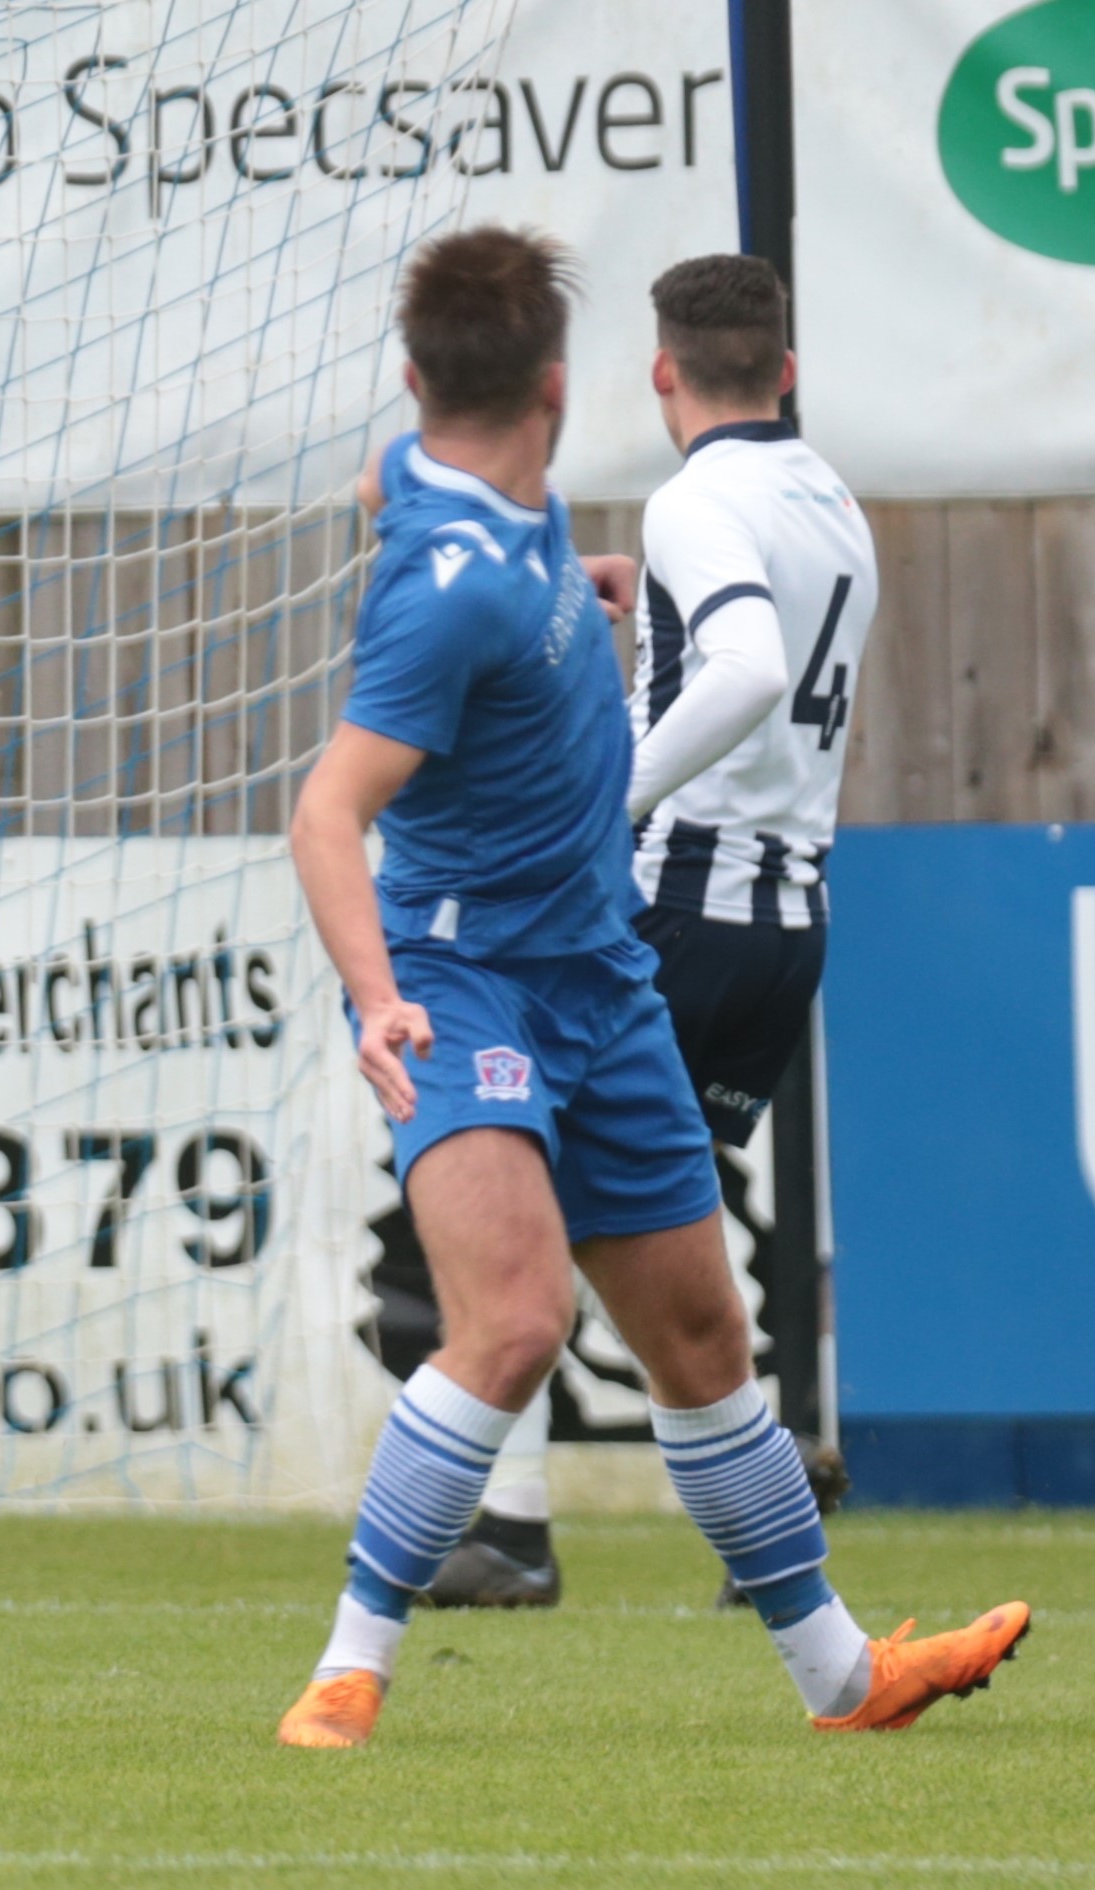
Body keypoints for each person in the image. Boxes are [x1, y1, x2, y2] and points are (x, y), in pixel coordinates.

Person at [274, 228, 1023, 1748]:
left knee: (701, 1345)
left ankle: (839, 1677)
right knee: (510, 1318)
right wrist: (375, 998)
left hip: (606, 977)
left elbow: (394, 488)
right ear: (560, 381)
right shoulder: (450, 589)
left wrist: (578, 584)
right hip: (469, 979)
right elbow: (322, 811)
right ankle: (344, 1670)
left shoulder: (496, 505)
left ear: (426, 384)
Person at [425, 253, 878, 1613]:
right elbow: (752, 653)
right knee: (655, 1230)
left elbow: (739, 667)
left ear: (659, 373)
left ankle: (505, 1528)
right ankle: (769, 1494)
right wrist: (647, 618)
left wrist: (600, 796)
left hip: (678, 904)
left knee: (518, 1209)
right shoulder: (827, 500)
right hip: (785, 922)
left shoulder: (696, 500)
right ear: (783, 372)